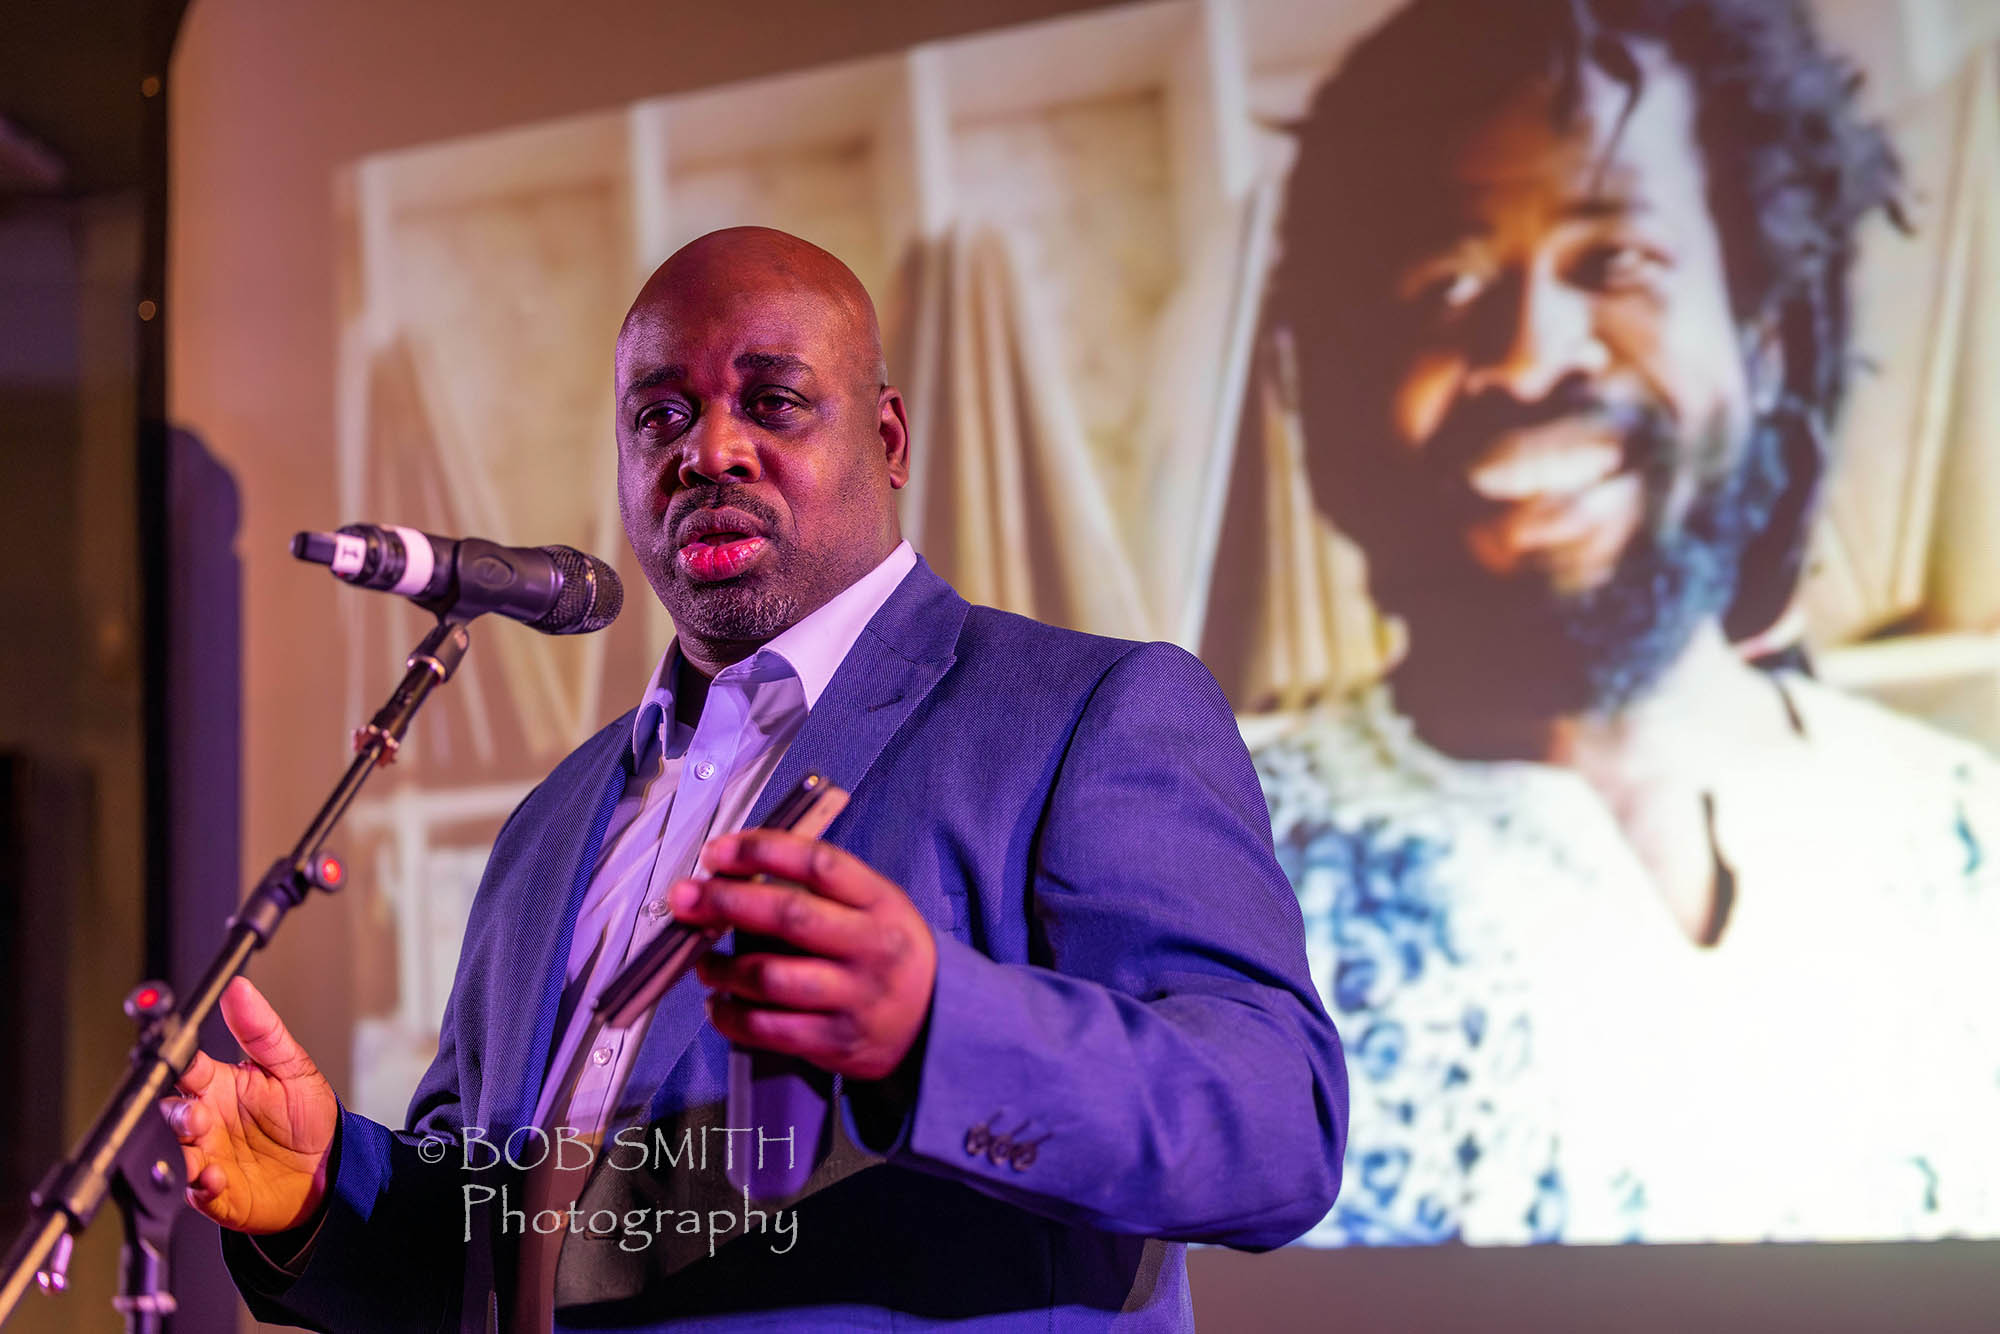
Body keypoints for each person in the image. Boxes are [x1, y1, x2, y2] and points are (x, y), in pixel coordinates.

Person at [163, 226, 1348, 1330]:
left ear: (885, 440)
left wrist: (938, 1027)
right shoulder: (552, 821)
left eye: (771, 401)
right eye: (657, 415)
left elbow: (1272, 1122)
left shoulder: (1082, 710)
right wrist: (326, 1189)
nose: (706, 450)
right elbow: (494, 1245)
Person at [1256, 0, 2000, 1245]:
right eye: (1444, 283)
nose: (1525, 355)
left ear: (1765, 344)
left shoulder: (1970, 837)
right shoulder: (1210, 884)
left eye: (1614, 262)